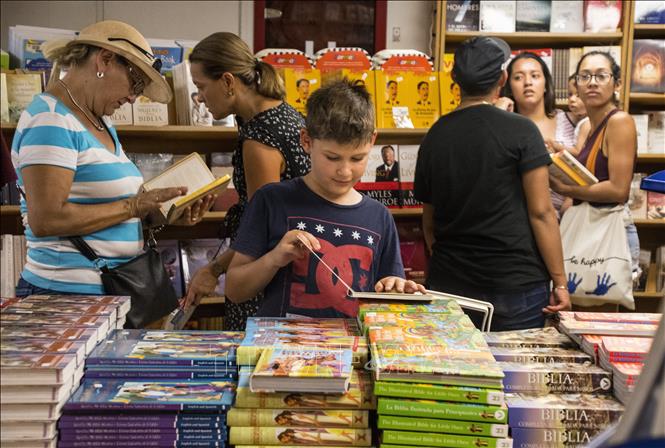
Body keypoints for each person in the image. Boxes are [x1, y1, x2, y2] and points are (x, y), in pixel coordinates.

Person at [11, 20, 213, 297]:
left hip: (108, 292)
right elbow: (46, 219)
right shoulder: (51, 119)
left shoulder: (99, 122)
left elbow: (104, 212)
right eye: (135, 82)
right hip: (65, 296)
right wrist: (134, 206)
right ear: (104, 60)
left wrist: (161, 214)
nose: (133, 98)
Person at [224, 80, 425, 319]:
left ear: (372, 141)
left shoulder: (379, 216)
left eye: (357, 158)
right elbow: (235, 290)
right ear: (306, 141)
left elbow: (389, 289)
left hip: (353, 350)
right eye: (332, 157)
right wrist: (275, 258)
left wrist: (398, 289)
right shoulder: (272, 200)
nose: (345, 171)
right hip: (285, 351)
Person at [414, 37, 570, 331]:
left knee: (460, 372)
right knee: (517, 374)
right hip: (516, 282)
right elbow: (542, 213)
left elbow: (429, 223)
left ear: (454, 79)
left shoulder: (435, 136)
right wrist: (560, 282)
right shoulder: (522, 130)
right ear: (503, 78)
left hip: (451, 282)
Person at [184, 32, 311, 331]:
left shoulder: (260, 138)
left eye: (202, 87)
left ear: (228, 82)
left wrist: (213, 270)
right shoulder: (284, 114)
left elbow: (260, 229)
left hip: (265, 281)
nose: (200, 97)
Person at [549, 51, 640, 278]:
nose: (592, 83)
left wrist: (565, 189)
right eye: (585, 76)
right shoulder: (589, 126)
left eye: (601, 76)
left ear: (616, 84)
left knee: (604, 311)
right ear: (576, 86)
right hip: (594, 231)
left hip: (609, 235)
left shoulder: (619, 121)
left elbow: (618, 190)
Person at [497, 52, 577, 218]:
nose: (528, 82)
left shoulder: (571, 120)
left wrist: (573, 197)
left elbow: (588, 163)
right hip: (519, 221)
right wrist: (496, 115)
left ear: (546, 84)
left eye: (535, 76)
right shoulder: (504, 126)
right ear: (509, 87)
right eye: (518, 78)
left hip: (570, 219)